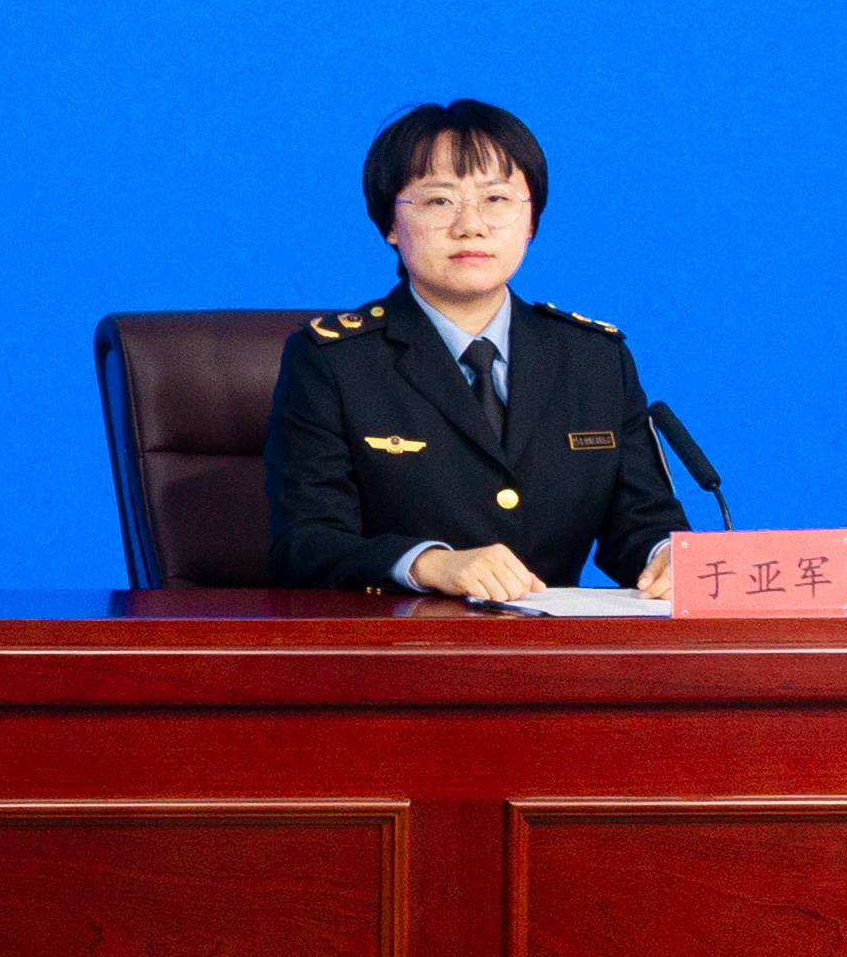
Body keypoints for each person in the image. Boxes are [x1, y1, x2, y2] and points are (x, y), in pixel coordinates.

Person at [268, 99, 683, 600]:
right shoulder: (334, 361)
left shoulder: (594, 359)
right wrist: (427, 564)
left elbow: (641, 522)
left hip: (555, 645)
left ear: (531, 222)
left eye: (497, 199)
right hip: (401, 641)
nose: (472, 225)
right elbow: (304, 544)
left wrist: (665, 555)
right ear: (391, 224)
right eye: (439, 201)